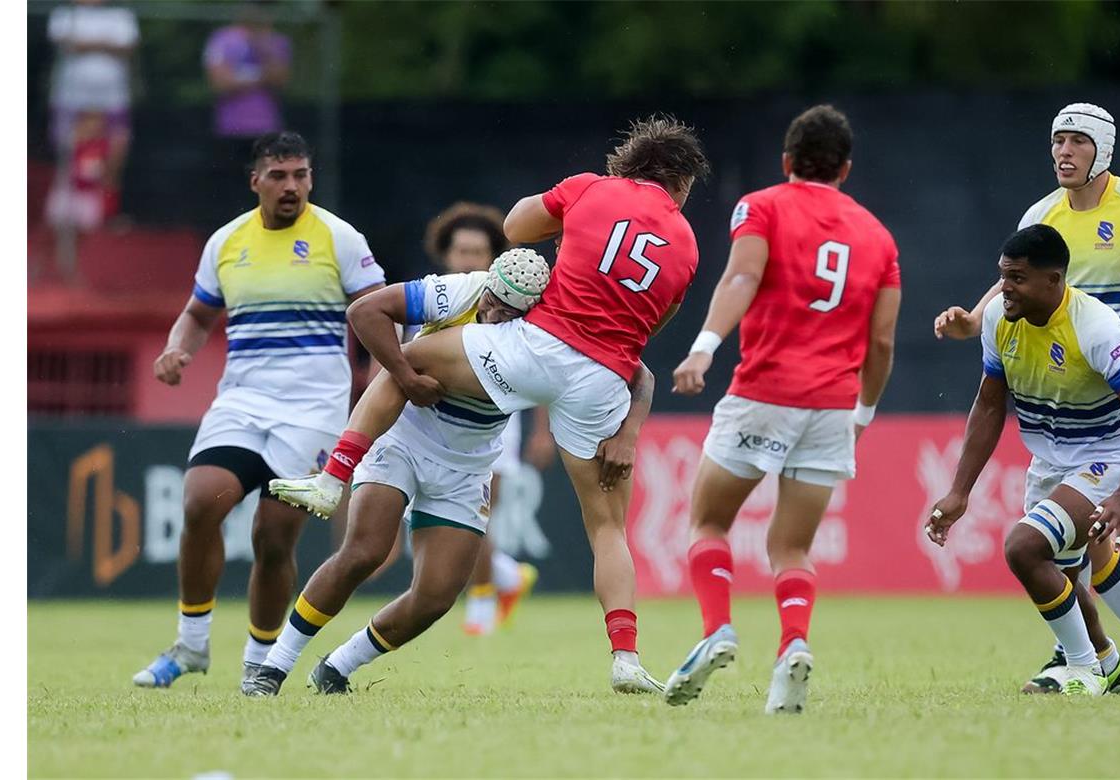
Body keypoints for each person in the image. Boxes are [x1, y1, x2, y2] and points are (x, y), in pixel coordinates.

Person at [270, 115, 711, 693]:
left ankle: (333, 478)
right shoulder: (689, 244)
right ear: (680, 185)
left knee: (417, 359)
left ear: (627, 165)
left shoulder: (590, 188)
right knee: (607, 529)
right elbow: (648, 333)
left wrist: (574, 225)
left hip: (538, 348)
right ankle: (625, 657)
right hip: (603, 378)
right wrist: (626, 431)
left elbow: (516, 224)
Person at [932, 103, 1120, 693]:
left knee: (1043, 546)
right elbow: (1015, 281)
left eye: (1077, 142)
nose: (1063, 152)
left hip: (1119, 411)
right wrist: (974, 320)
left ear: (1104, 150)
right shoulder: (1043, 217)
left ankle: (1086, 667)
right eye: (1057, 141)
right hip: (1057, 419)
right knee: (1070, 558)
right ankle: (1113, 660)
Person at [663, 105, 901, 714]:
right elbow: (881, 343)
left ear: (788, 161)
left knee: (708, 523)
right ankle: (793, 644)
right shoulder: (878, 237)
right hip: (831, 409)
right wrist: (864, 414)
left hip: (764, 393)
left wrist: (702, 348)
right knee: (792, 548)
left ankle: (717, 629)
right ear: (846, 169)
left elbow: (742, 278)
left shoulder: (762, 205)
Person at [242, 250, 567, 695]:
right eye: (493, 300)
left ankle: (337, 666)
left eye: (509, 311)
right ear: (486, 283)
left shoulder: (541, 332)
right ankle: (273, 667)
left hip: (468, 466)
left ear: (531, 310)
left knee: (435, 597)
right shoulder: (460, 290)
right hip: (404, 439)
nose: (493, 314)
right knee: (364, 552)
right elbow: (365, 310)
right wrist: (405, 376)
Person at [131, 131, 386, 689]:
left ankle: (258, 664)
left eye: (300, 175)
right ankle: (192, 645)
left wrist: (382, 377)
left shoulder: (339, 238)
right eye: (279, 175)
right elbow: (199, 314)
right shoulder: (226, 242)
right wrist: (178, 348)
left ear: (310, 179)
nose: (291, 186)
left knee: (274, 539)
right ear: (256, 182)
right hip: (242, 401)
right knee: (201, 502)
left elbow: (377, 310)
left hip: (314, 409)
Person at [927, 224, 1120, 695]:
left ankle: (1083, 672)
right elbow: (989, 403)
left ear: (1053, 280)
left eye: (1018, 278)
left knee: (1024, 548)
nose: (1005, 288)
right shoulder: (1000, 316)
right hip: (1051, 458)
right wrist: (959, 492)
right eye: (1003, 276)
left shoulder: (1096, 328)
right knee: (1061, 574)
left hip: (1110, 454)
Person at [421, 203, 542, 636]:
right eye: (461, 251)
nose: (468, 260)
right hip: (430, 432)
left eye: (478, 251)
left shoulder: (518, 312)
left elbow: (546, 367)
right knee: (436, 522)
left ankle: (483, 603)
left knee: (475, 515)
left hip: (493, 430)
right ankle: (508, 576)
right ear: (446, 254)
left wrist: (543, 430)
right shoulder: (429, 301)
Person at [47, 0, 137, 219]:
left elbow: (126, 47)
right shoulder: (65, 14)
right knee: (69, 154)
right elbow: (66, 44)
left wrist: (85, 44)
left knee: (114, 153)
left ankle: (106, 210)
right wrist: (106, 44)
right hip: (72, 97)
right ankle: (66, 213)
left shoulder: (121, 15)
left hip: (112, 97)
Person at [204, 2, 293, 206]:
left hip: (267, 129)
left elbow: (280, 78)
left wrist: (260, 46)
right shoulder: (222, 40)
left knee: (267, 187)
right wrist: (260, 77)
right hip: (230, 128)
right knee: (232, 188)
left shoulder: (277, 42)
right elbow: (219, 82)